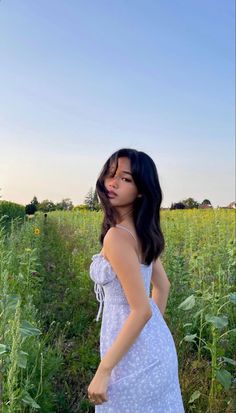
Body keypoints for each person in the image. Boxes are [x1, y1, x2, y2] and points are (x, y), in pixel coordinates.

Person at [87, 148, 185, 412]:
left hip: (130, 358)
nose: (113, 182)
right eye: (110, 174)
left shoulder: (117, 237)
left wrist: (104, 370)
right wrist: (151, 337)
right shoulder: (142, 232)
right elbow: (163, 287)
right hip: (153, 351)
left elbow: (141, 310)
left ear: (141, 189)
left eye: (126, 179)